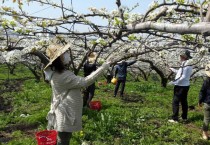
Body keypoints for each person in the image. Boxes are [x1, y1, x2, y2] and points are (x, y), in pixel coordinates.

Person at [43, 43, 115, 145]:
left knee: (63, 138)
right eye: (64, 53)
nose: (67, 54)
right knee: (63, 140)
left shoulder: (59, 73)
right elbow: (85, 81)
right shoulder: (62, 76)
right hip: (64, 114)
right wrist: (104, 67)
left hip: (64, 111)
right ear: (60, 58)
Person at [168, 50, 193, 123]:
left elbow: (183, 76)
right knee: (183, 101)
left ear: (183, 56)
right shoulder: (187, 64)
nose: (179, 57)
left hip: (180, 86)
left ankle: (175, 118)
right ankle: (184, 117)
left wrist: (174, 82)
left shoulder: (185, 64)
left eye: (180, 56)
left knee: (175, 102)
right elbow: (180, 73)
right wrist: (173, 70)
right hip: (185, 85)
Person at [198, 63, 210, 140]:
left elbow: (202, 91)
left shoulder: (206, 81)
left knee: (206, 119)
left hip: (208, 103)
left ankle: (205, 134)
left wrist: (200, 101)